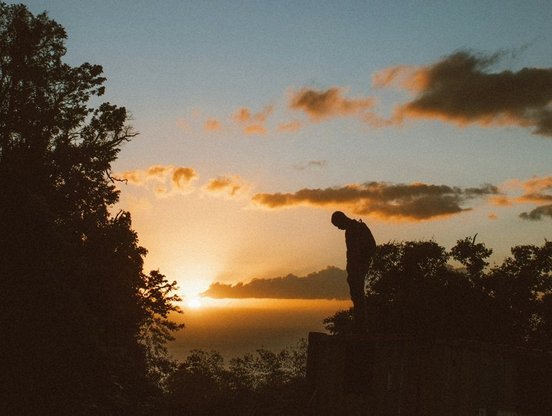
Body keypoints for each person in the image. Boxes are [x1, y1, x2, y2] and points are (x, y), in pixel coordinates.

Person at [331, 211, 376, 333]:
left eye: (338, 225)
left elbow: (356, 251)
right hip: (357, 267)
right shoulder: (356, 228)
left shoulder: (354, 230)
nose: (339, 228)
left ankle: (361, 327)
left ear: (342, 219)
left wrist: (358, 265)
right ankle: (360, 326)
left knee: (358, 296)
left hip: (357, 267)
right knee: (357, 296)